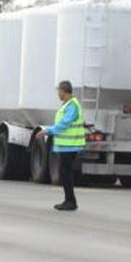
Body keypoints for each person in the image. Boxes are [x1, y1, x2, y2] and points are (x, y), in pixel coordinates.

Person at [36, 81, 86, 211]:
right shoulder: (67, 105)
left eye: (59, 91)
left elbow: (65, 124)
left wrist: (47, 131)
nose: (58, 94)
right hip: (66, 145)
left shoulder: (72, 106)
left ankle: (70, 201)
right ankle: (69, 200)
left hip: (70, 145)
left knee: (65, 173)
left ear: (64, 91)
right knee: (64, 173)